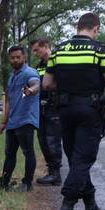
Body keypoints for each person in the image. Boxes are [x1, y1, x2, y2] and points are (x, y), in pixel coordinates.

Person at [42, 12, 105, 210]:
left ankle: (92, 206)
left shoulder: (58, 50)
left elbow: (47, 84)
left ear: (78, 27)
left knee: (76, 159)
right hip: (89, 111)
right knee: (83, 160)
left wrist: (68, 86)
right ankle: (66, 207)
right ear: (95, 28)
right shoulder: (99, 50)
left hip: (64, 110)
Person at [0, 45, 40, 191]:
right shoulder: (11, 77)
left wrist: (31, 90)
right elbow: (9, 100)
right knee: (9, 154)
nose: (15, 60)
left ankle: (27, 184)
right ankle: (3, 183)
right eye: (12, 57)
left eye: (18, 57)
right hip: (13, 121)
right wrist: (4, 122)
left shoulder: (29, 73)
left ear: (24, 57)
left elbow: (36, 84)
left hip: (26, 119)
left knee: (28, 152)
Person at [32, 39, 64, 185]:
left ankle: (56, 174)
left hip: (54, 106)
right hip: (41, 107)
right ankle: (51, 171)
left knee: (53, 140)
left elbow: (63, 82)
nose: (35, 53)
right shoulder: (39, 67)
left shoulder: (58, 62)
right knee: (42, 139)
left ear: (45, 47)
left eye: (36, 50)